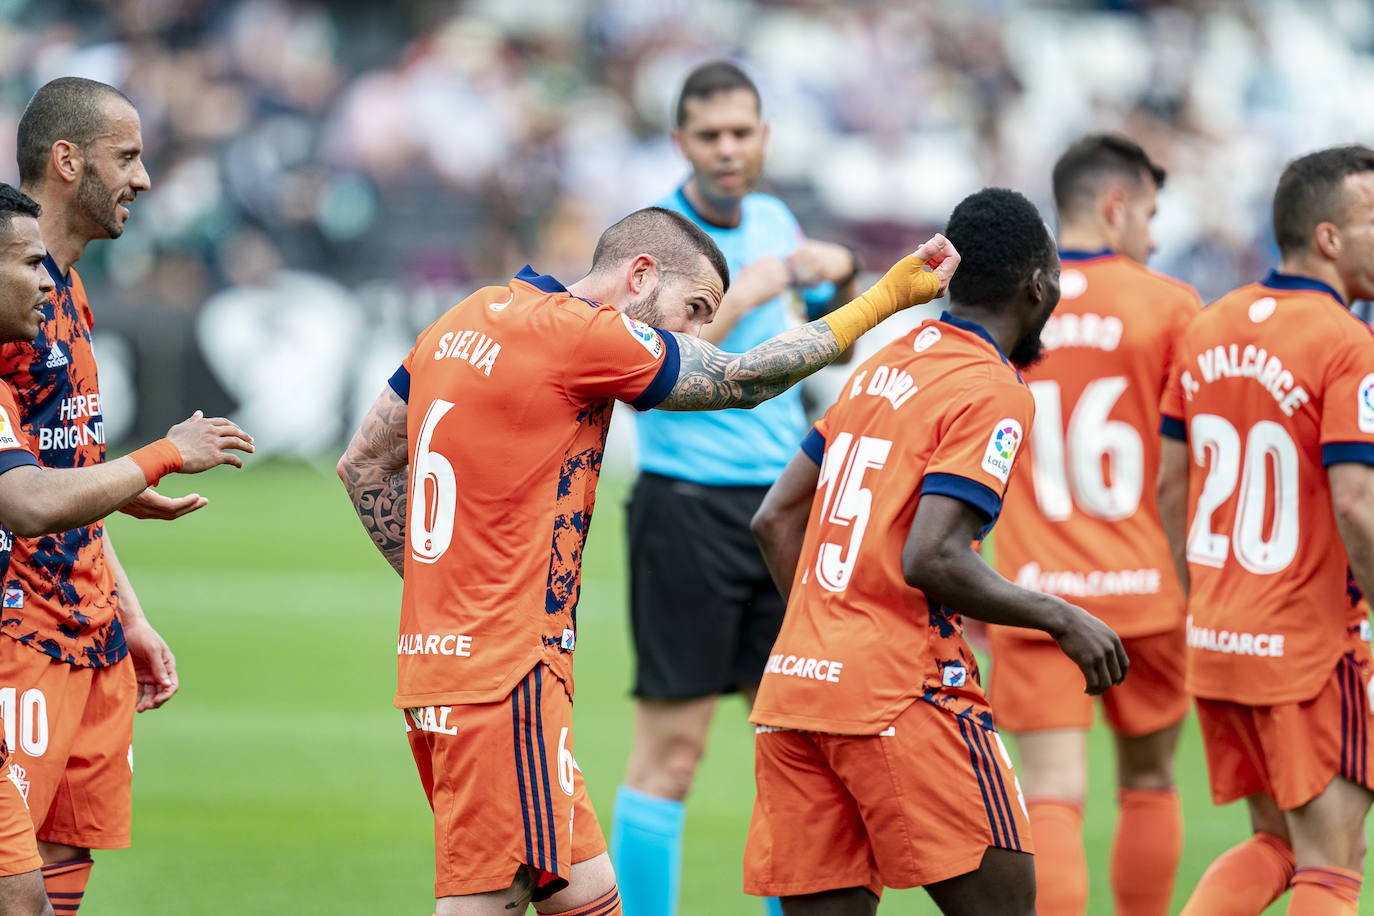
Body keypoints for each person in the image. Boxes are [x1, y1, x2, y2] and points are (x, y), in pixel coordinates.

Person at [336, 205, 958, 915]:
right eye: (693, 310)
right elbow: (743, 379)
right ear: (638, 276)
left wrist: (444, 595)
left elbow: (362, 466)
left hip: (444, 664)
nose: (694, 333)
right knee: (487, 900)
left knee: (589, 896)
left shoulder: (469, 317)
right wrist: (887, 299)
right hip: (505, 678)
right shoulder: (582, 334)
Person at [744, 187, 1128, 916]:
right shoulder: (991, 388)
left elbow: (774, 518)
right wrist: (1062, 618)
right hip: (900, 689)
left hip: (796, 690)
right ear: (1036, 287)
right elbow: (935, 557)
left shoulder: (884, 365)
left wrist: (829, 633)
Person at [612, 60, 862, 916]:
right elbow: (683, 336)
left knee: (794, 743)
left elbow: (829, 332)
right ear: (680, 141)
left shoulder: (775, 216)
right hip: (685, 505)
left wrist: (840, 278)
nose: (727, 149)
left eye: (742, 132)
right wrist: (780, 275)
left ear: (763, 137)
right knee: (672, 753)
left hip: (782, 509)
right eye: (710, 134)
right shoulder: (655, 241)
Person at [2, 77, 235, 913]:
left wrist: (127, 612)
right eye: (127, 157)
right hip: (19, 637)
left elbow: (66, 472)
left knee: (61, 877)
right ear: (68, 161)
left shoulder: (66, 288)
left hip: (90, 630)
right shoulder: (9, 304)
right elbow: (21, 494)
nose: (143, 179)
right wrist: (164, 456)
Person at [983, 135, 1200, 916]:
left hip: (1036, 595)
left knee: (1051, 796)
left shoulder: (1015, 304)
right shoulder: (1172, 306)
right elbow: (1191, 461)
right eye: (1149, 211)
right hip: (1148, 589)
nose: (1154, 230)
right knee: (1149, 782)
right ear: (1115, 206)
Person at [1159, 145, 1374, 915]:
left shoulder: (1207, 326)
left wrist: (1207, 600)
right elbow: (1355, 502)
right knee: (1332, 865)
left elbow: (1169, 482)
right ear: (1328, 238)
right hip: (1311, 646)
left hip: (1220, 635)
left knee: (1278, 844)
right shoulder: (1348, 344)